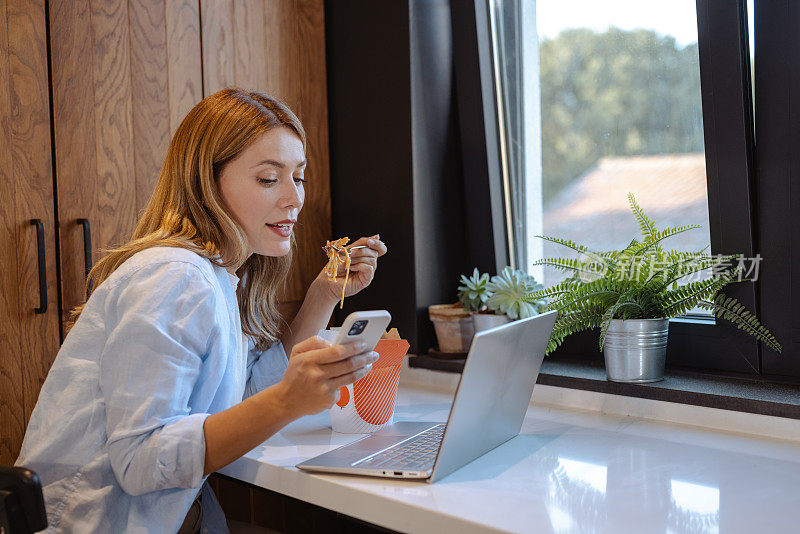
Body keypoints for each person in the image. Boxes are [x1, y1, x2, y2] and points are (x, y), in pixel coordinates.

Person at [15, 88, 387, 533]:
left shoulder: (219, 275)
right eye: (270, 178)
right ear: (208, 182)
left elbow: (243, 397)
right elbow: (140, 461)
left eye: (299, 177)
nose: (294, 198)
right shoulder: (175, 277)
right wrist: (288, 401)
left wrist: (324, 293)